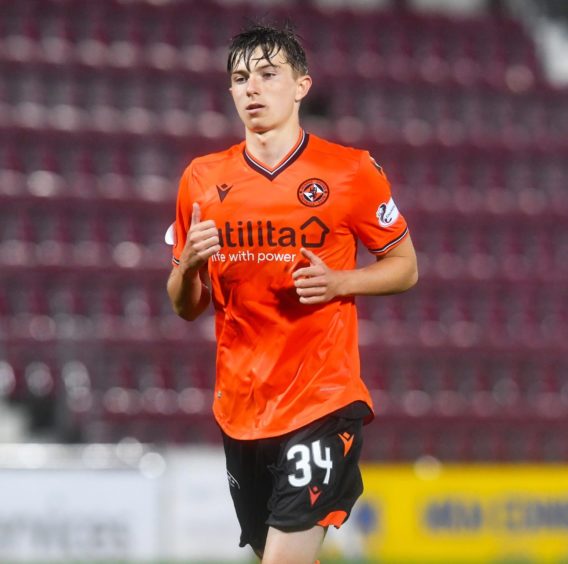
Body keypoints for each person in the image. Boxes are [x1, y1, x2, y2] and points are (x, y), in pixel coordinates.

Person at [166, 22, 418, 564]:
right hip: (243, 408)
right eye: (239, 78)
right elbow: (186, 307)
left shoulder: (350, 171)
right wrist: (187, 266)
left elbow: (405, 267)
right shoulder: (202, 180)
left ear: (302, 85)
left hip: (323, 401)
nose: (251, 88)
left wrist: (340, 281)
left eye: (267, 74)